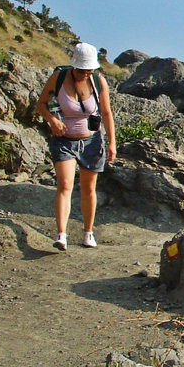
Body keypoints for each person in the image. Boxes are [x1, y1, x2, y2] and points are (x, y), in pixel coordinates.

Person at [35, 42, 117, 249]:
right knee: (64, 185)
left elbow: (106, 113)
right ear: (74, 66)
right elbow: (41, 103)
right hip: (64, 141)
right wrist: (52, 121)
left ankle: (88, 233)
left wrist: (112, 142)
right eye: (81, 70)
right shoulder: (59, 78)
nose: (85, 73)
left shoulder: (98, 81)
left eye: (89, 69)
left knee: (89, 188)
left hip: (91, 141)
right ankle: (61, 235)